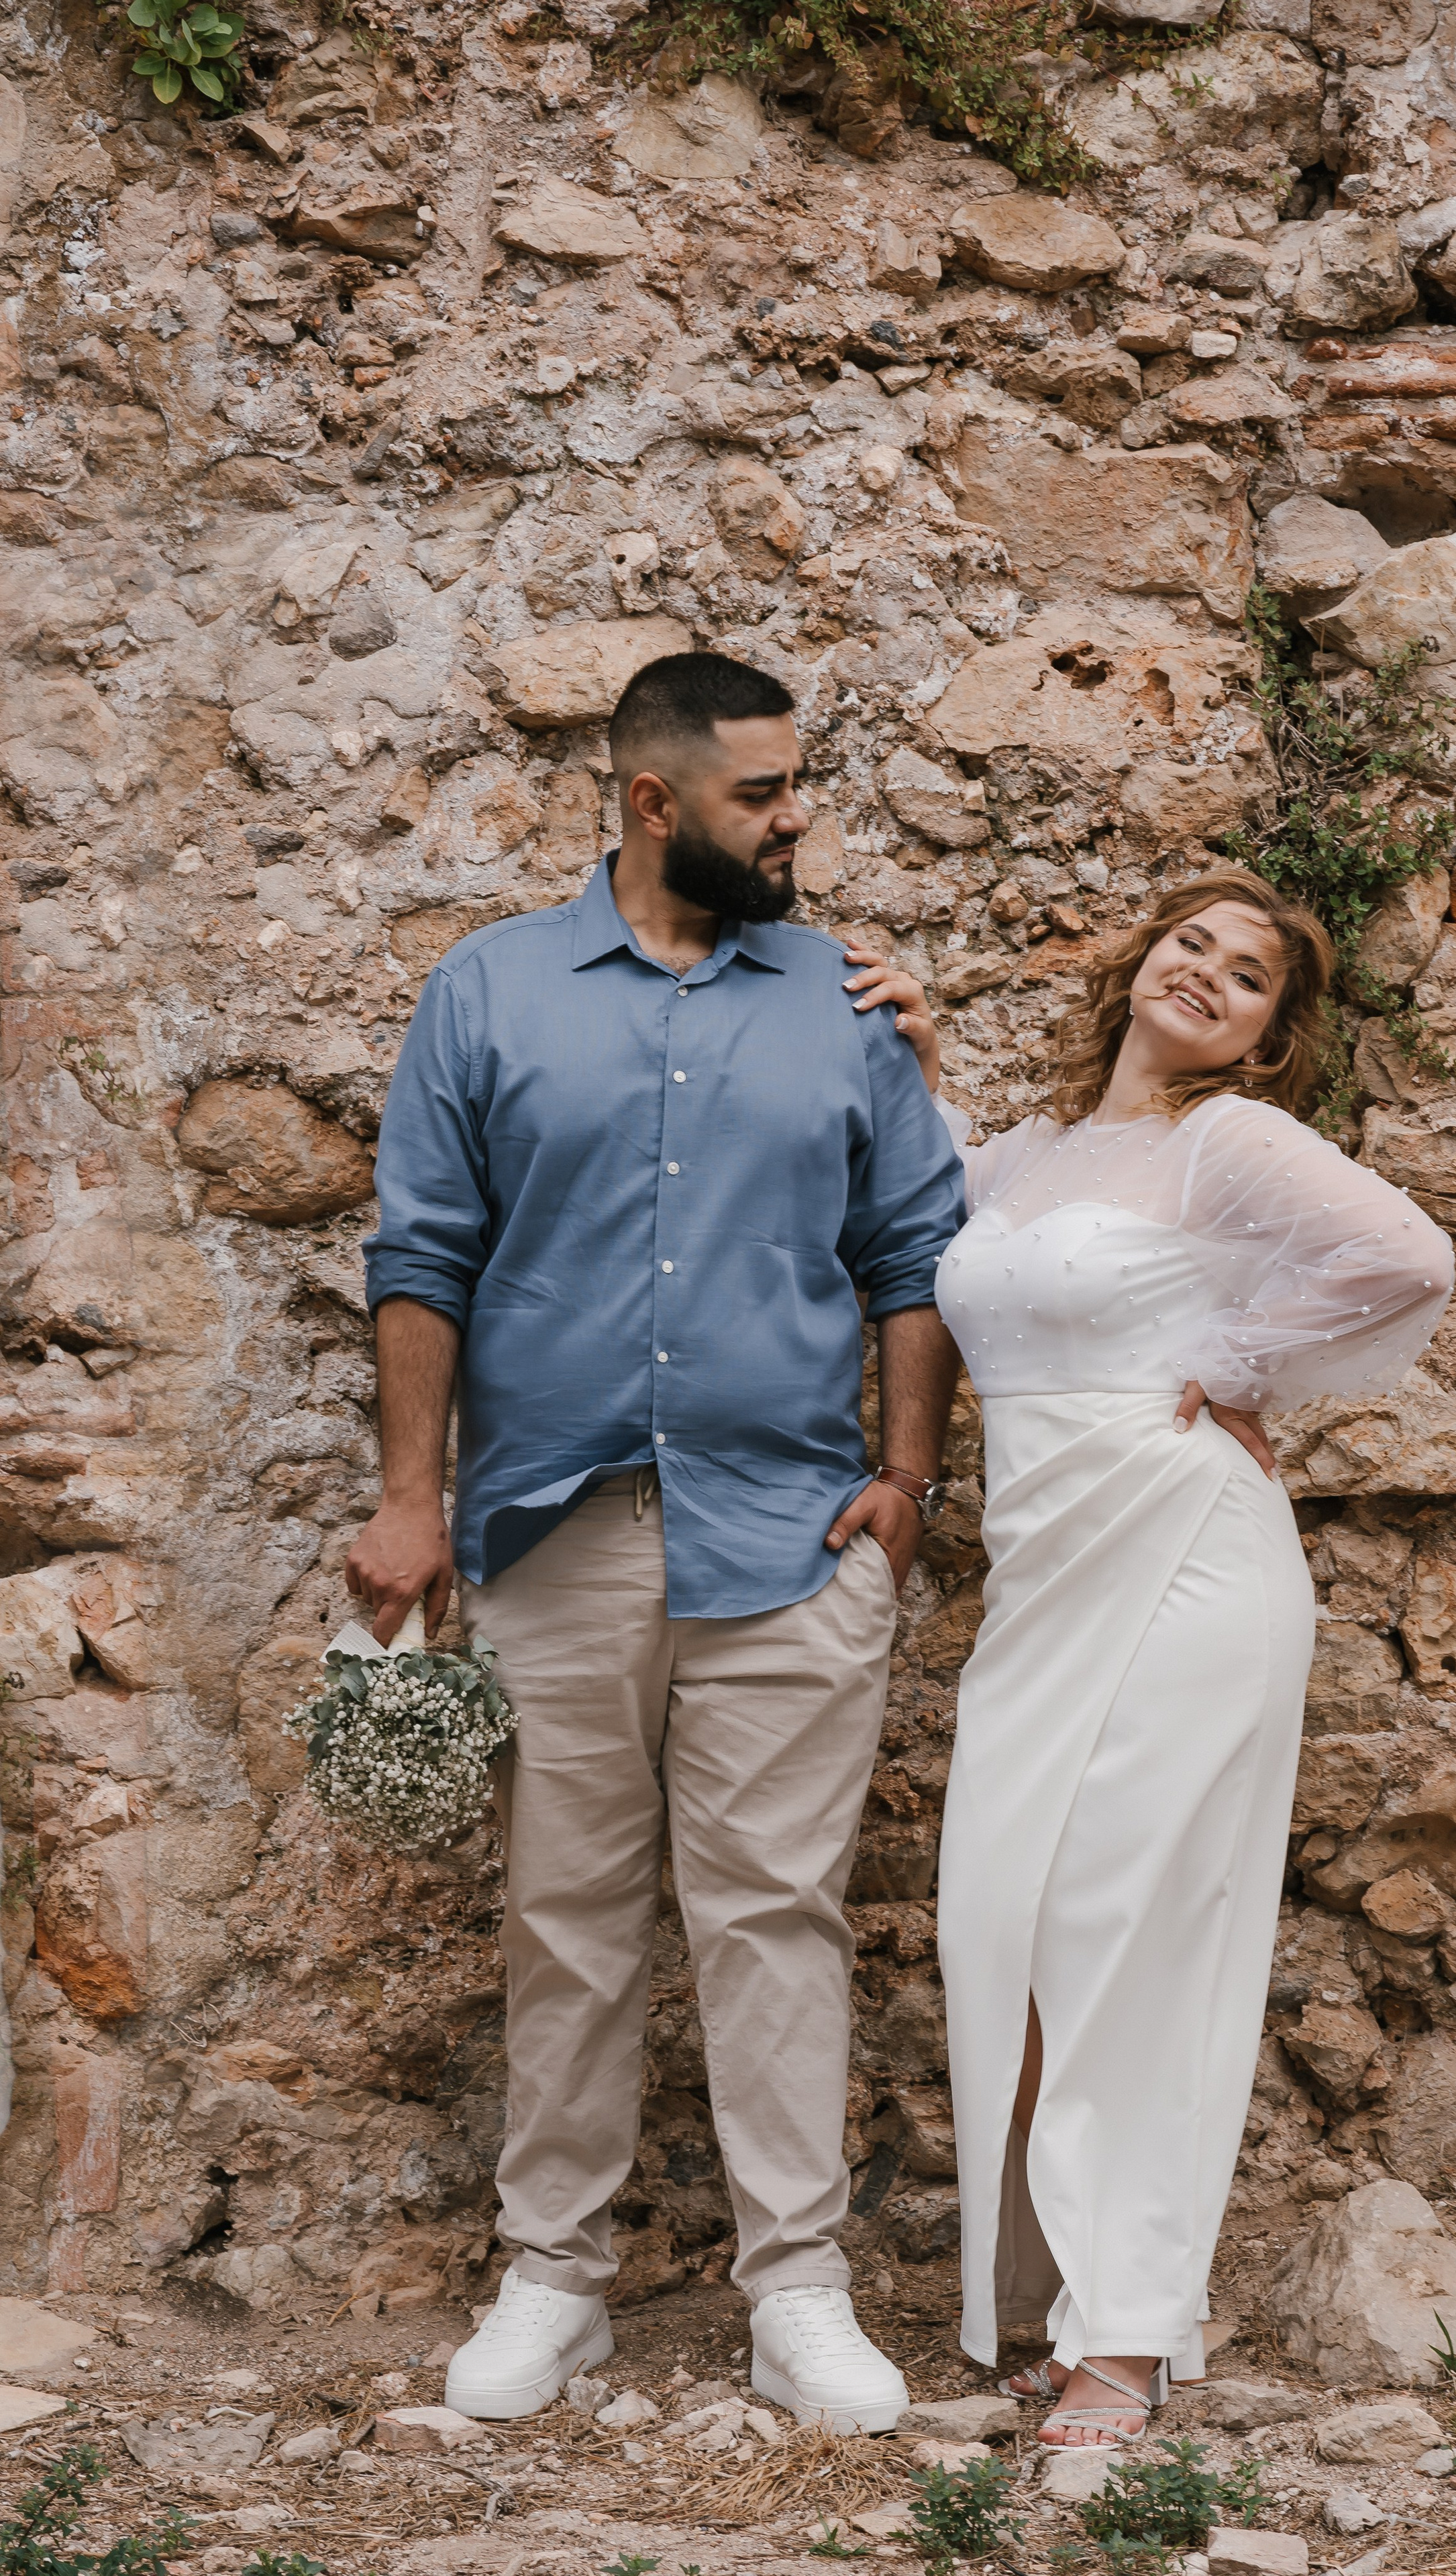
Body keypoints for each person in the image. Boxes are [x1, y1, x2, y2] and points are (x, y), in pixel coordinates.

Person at [348, 651, 967, 2431]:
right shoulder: (489, 992)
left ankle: (798, 2292)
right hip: (554, 1534)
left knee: (777, 1916)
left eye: (797, 788)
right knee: (567, 1916)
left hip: (789, 1532)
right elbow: (421, 1255)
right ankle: (554, 2279)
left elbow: (916, 1255)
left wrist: (907, 1487)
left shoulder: (845, 998)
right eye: (764, 795)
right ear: (651, 802)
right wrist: (410, 1497)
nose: (798, 822)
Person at [844, 869, 1454, 2447]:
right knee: (1003, 1912)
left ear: (1264, 1037)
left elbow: (1404, 1257)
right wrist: (914, 1067)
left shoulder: (1225, 1144)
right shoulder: (1033, 1156)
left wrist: (1236, 1358)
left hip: (1184, 1546)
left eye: (1245, 975)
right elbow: (952, 1242)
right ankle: (1054, 2296)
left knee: (1135, 1932)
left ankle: (1124, 2333)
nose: (1205, 973)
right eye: (1190, 941)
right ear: (1137, 957)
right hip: (1047, 1571)